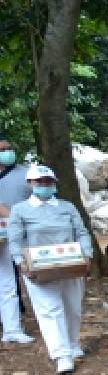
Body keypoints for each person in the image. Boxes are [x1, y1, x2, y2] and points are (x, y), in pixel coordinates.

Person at [7, 164, 90, 373]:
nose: (44, 185)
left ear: (54, 184)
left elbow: (81, 232)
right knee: (50, 309)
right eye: (39, 182)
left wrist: (87, 254)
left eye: (48, 181)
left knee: (73, 307)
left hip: (71, 264)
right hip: (38, 267)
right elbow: (15, 239)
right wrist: (21, 262)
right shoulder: (20, 210)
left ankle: (72, 343)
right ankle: (61, 354)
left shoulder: (67, 207)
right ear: (31, 184)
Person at [0, 135, 35, 344]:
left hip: (16, 235)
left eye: (9, 147)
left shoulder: (25, 174)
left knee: (10, 282)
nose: (7, 151)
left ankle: (12, 328)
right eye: (2, 148)